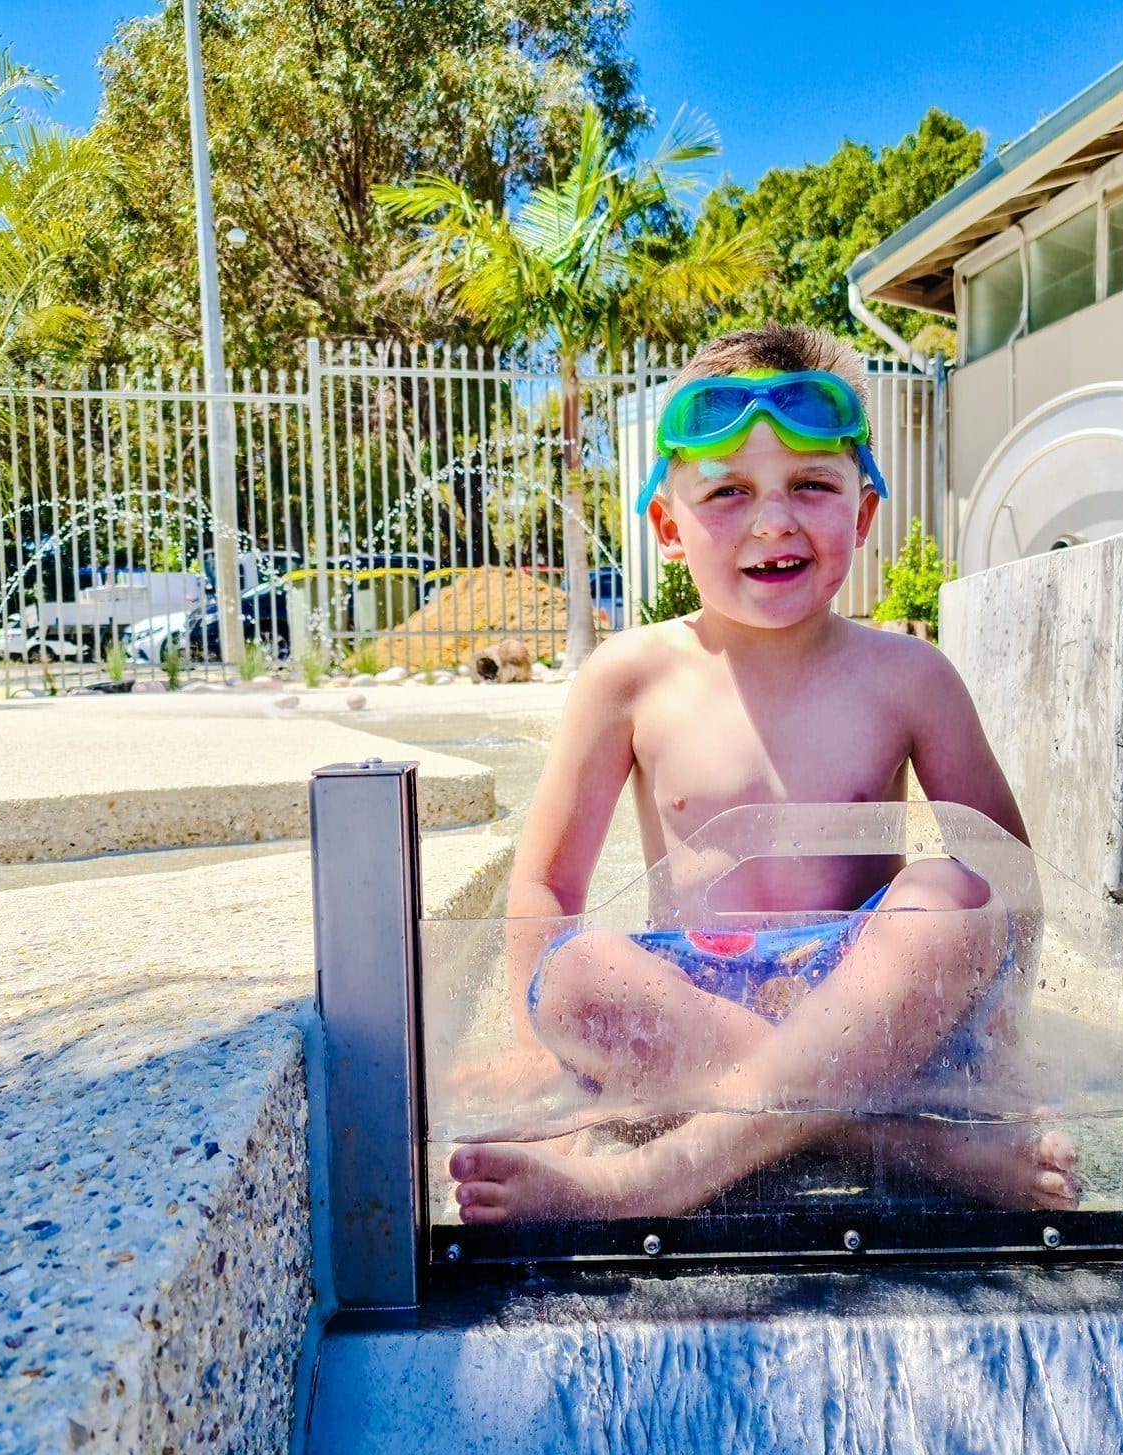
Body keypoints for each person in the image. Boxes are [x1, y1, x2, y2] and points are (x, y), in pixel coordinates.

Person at [450, 323, 1079, 1224]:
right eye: (730, 491)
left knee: (953, 890)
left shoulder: (910, 676)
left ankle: (652, 1181)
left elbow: (1007, 875)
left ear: (862, 514)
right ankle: (908, 1141)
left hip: (870, 1009)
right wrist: (531, 1041)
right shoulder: (628, 679)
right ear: (668, 527)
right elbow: (549, 883)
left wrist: (1003, 1048)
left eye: (811, 486)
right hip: (700, 1013)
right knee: (580, 972)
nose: (773, 520)